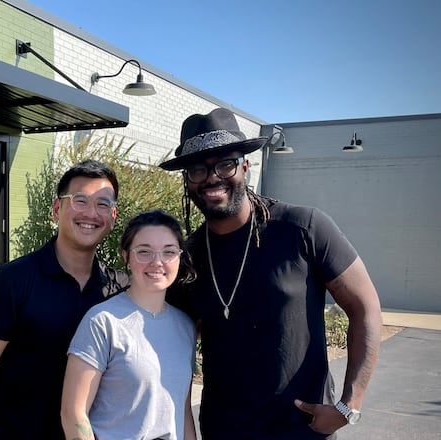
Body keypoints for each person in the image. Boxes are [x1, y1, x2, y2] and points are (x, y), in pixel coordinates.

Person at [159, 108, 382, 439]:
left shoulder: (303, 228)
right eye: (197, 170)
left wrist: (349, 405)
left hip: (302, 430)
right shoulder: (186, 258)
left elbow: (366, 308)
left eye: (226, 164)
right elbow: (173, 347)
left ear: (246, 166)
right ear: (187, 181)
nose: (212, 178)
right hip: (223, 430)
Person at [0, 159, 126, 440]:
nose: (91, 213)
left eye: (102, 204)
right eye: (80, 200)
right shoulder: (12, 281)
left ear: (113, 215)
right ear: (57, 209)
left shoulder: (118, 288)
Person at [62, 210, 198, 440]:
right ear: (126, 256)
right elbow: (74, 413)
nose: (157, 262)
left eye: (169, 252)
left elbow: (182, 412)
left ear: (180, 258)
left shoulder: (185, 326)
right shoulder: (103, 322)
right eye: (144, 251)